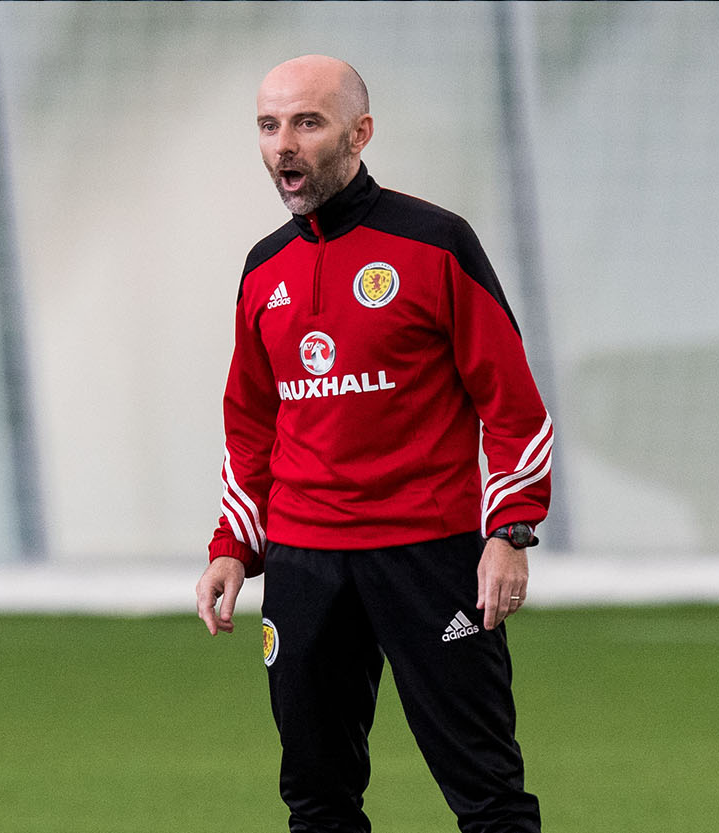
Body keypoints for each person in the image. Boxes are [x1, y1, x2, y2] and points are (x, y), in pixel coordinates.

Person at [195, 54, 553, 833]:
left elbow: (513, 405)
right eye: (268, 125)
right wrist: (232, 543)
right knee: (316, 799)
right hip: (303, 561)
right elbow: (251, 421)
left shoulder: (436, 243)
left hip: (429, 553)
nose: (283, 144)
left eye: (306, 123)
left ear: (359, 133)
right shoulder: (263, 269)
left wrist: (509, 530)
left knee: (488, 796)